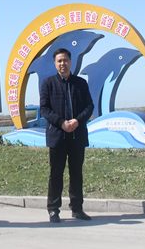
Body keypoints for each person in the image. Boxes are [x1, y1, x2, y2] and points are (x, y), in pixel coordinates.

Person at [40, 48, 94, 223]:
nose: (62, 63)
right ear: (55, 63)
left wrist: (77, 121)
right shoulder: (48, 83)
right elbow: (44, 109)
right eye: (59, 61)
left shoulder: (80, 83)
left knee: (76, 174)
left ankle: (77, 209)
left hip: (77, 136)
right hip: (57, 136)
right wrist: (61, 123)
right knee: (56, 174)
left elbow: (89, 106)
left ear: (71, 62)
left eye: (65, 60)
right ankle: (53, 209)